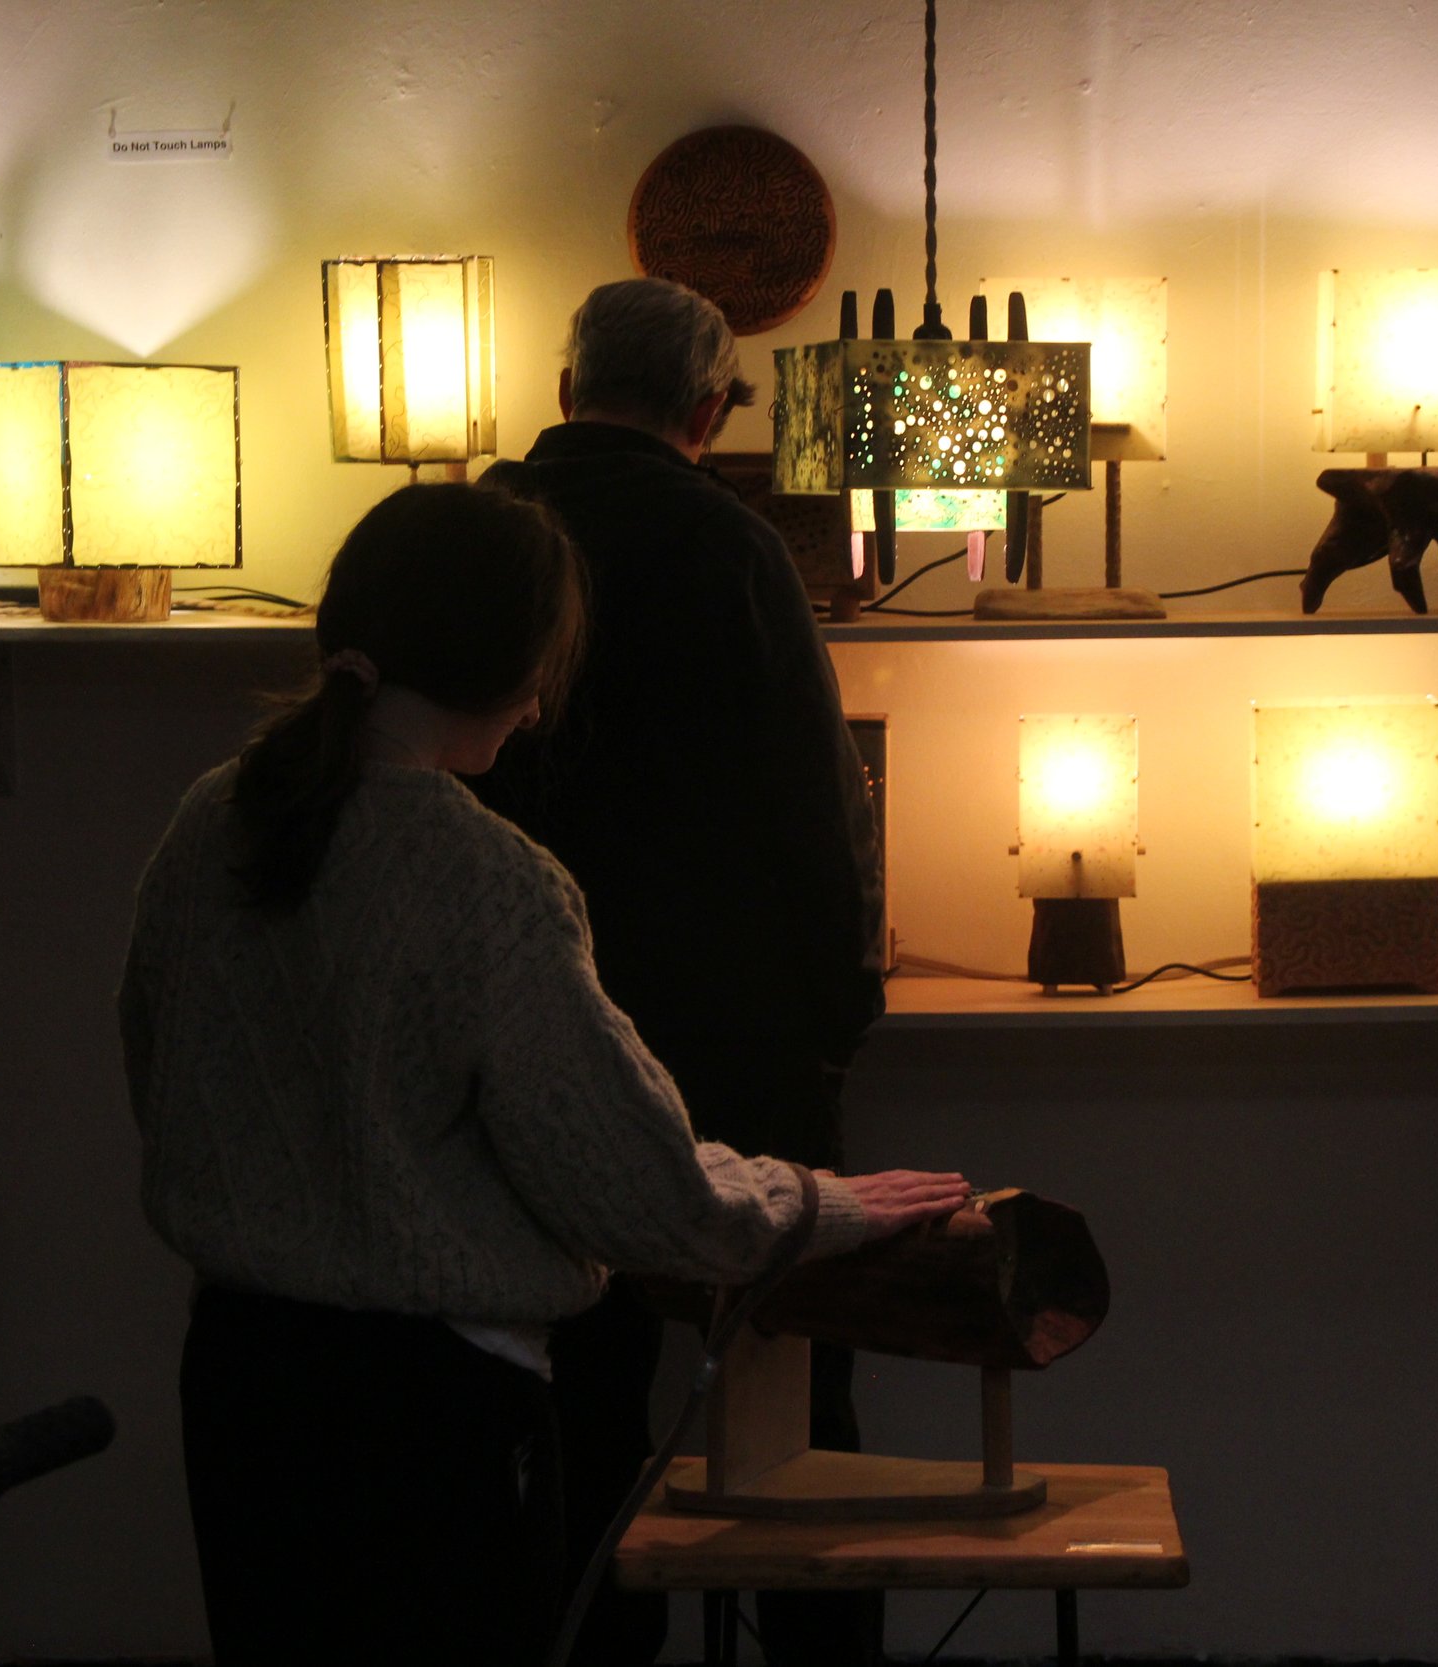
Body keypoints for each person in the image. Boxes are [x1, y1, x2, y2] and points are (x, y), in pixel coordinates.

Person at [117, 483, 968, 1666]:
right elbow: (641, 1191)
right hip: (432, 1413)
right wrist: (822, 1203)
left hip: (235, 1382)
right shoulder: (488, 879)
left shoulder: (213, 821)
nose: (537, 705)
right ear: (514, 668)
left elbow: (159, 1067)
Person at [474, 277, 889, 1665]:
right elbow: (817, 806)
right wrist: (837, 1013)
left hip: (526, 1032)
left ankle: (593, 1651)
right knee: (790, 1394)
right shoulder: (730, 545)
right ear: (709, 409)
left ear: (564, 381)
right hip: (732, 1033)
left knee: (573, 1401)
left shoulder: (485, 532)